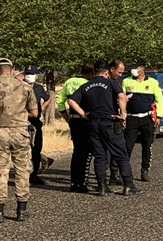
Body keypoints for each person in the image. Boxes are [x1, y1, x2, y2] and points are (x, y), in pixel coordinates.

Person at [66, 59, 140, 196]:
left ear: (94, 71)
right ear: (107, 72)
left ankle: (102, 186)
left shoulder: (87, 85)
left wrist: (83, 114)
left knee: (99, 156)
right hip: (109, 122)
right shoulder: (111, 83)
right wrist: (123, 114)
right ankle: (128, 185)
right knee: (120, 154)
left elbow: (71, 100)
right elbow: (122, 97)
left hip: (93, 123)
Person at [0, 58, 38, 222]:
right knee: (22, 170)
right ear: (12, 70)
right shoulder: (25, 87)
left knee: (0, 171)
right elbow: (34, 113)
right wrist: (17, 116)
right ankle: (21, 209)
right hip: (20, 132)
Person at [122, 59, 163, 182]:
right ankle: (124, 172)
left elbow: (159, 100)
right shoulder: (126, 81)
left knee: (147, 146)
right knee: (127, 147)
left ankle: (144, 170)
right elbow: (121, 99)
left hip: (147, 118)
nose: (133, 70)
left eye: (136, 67)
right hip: (131, 118)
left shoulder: (153, 83)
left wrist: (159, 116)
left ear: (142, 69)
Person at [56, 62, 94, 192]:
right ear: (91, 73)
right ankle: (83, 182)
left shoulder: (69, 82)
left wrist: (67, 119)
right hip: (86, 120)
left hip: (74, 121)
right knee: (87, 152)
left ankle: (73, 183)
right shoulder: (90, 84)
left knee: (77, 151)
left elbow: (60, 101)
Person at [23, 65, 53, 186]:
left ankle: (34, 174)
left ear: (36, 75)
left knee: (36, 146)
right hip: (22, 121)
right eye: (27, 74)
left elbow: (48, 98)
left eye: (31, 74)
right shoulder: (19, 87)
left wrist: (42, 107)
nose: (29, 76)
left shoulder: (39, 88)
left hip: (35, 121)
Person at [107, 59, 127, 185]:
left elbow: (121, 98)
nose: (120, 75)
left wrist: (122, 115)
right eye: (119, 72)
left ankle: (114, 173)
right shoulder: (105, 81)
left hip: (116, 118)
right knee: (105, 151)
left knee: (116, 148)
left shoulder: (117, 82)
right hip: (106, 118)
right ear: (111, 69)